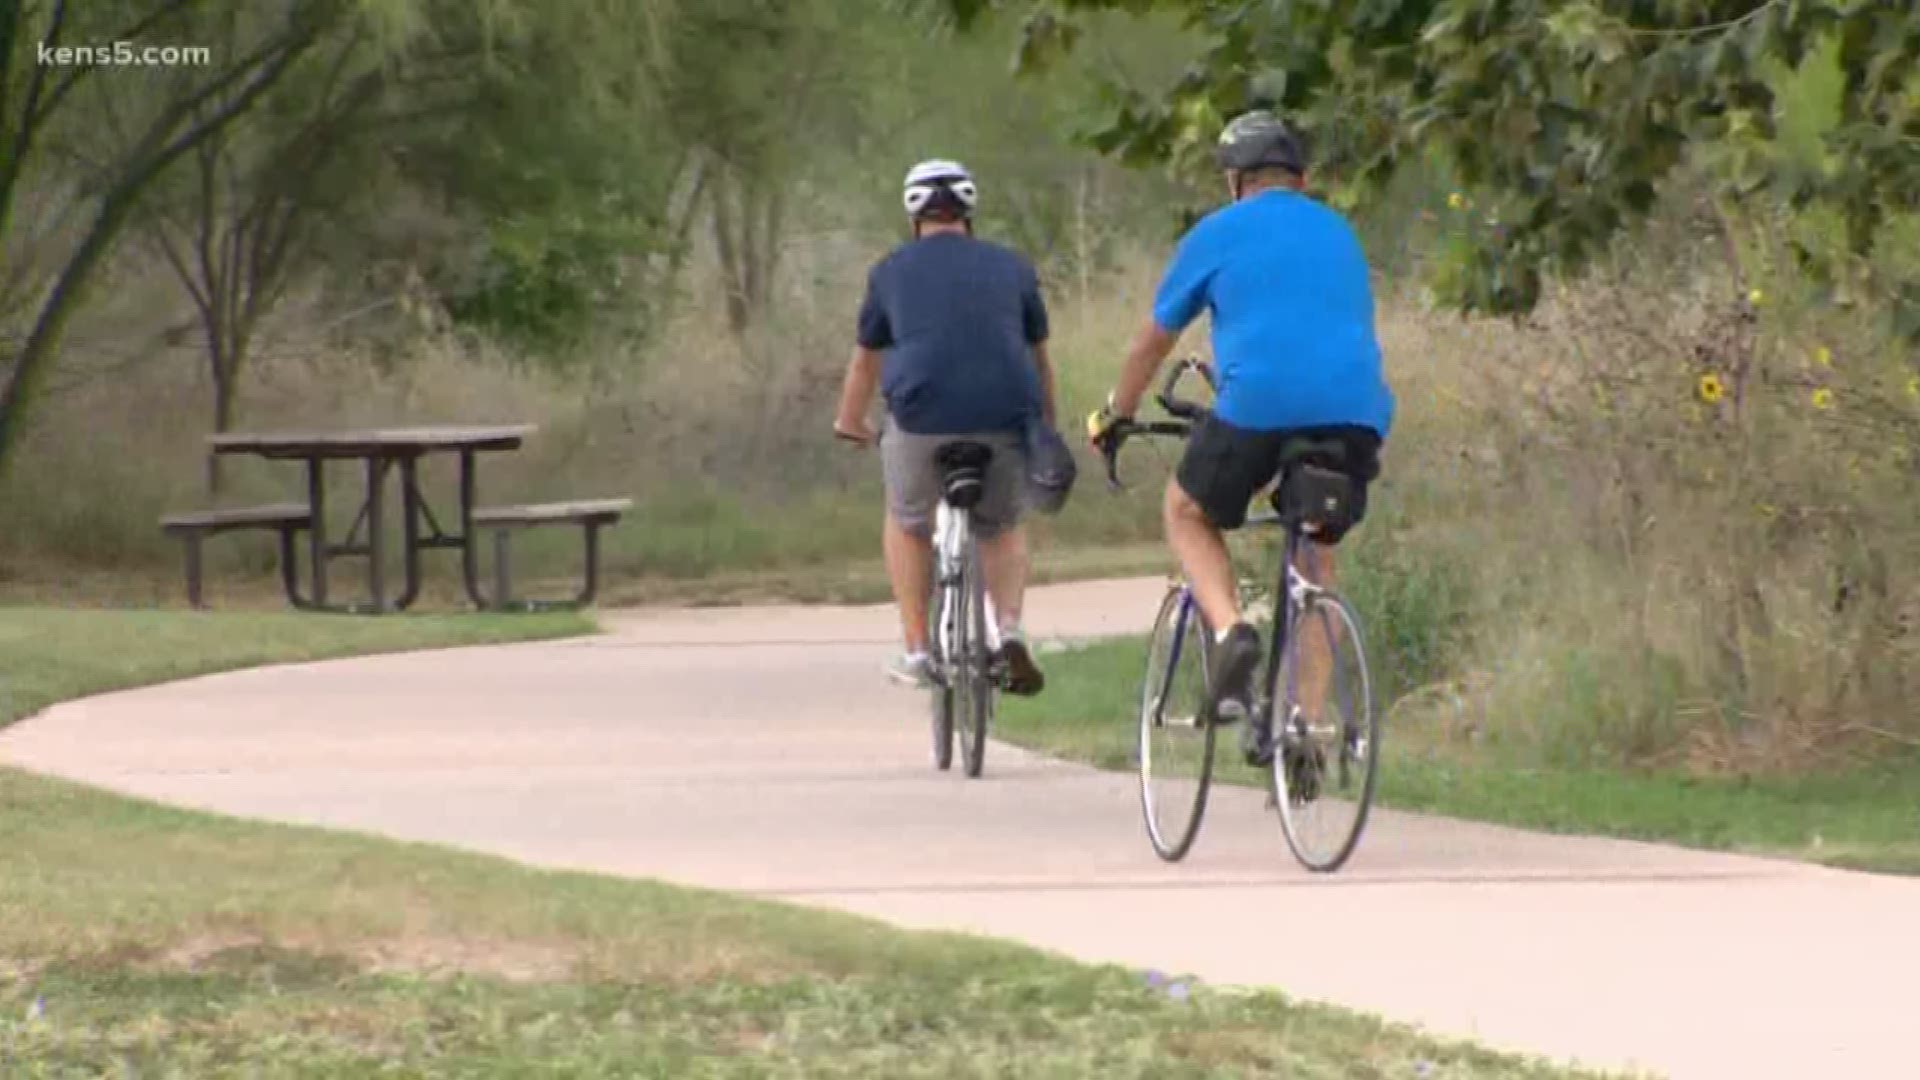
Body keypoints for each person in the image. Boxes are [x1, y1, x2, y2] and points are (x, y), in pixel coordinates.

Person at [1087, 110, 1395, 752]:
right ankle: (1305, 725)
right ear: (1302, 179)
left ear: (1235, 180)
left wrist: (1116, 409)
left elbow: (1154, 337)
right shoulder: (1340, 232)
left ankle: (1231, 632)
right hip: (1357, 413)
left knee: (1186, 510)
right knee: (1315, 550)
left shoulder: (1218, 232)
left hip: (1258, 405)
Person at [832, 159, 1054, 696]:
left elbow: (867, 362)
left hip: (920, 417)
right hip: (1005, 414)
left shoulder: (890, 271)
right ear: (969, 212)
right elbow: (1039, 359)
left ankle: (917, 650)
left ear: (914, 216)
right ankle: (1008, 631)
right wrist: (1045, 424)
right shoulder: (1013, 267)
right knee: (1000, 524)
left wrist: (849, 420)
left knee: (908, 522)